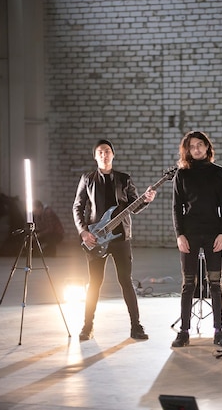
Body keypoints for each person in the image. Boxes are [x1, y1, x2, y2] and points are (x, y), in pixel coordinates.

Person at [73, 139, 157, 341]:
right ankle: (87, 326)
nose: (104, 154)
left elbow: (134, 206)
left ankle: (136, 327)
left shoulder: (124, 179)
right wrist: (84, 232)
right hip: (96, 237)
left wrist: (146, 200)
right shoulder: (87, 179)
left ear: (113, 155)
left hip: (121, 238)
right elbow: (78, 206)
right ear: (95, 156)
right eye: (100, 152)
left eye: (108, 151)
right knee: (94, 283)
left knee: (126, 281)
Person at [171, 130, 222, 348]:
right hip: (189, 234)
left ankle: (219, 331)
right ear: (187, 150)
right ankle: (184, 331)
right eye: (192, 146)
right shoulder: (182, 174)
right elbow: (177, 207)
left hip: (213, 233)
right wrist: (179, 235)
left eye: (200, 145)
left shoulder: (219, 173)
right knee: (188, 284)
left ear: (207, 147)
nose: (196, 149)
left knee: (215, 283)